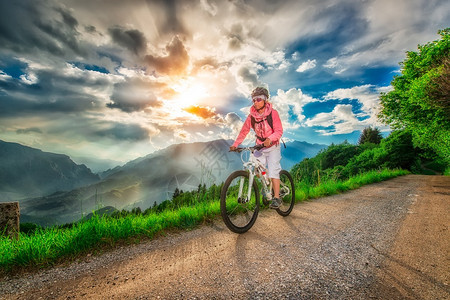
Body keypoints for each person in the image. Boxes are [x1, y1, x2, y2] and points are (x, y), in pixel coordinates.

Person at [229, 86, 284, 209]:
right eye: (253, 100)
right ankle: (267, 184)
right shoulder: (251, 116)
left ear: (265, 99)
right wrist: (235, 145)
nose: (255, 102)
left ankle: (276, 197)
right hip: (259, 146)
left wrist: (270, 139)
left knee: (274, 171)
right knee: (256, 171)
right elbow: (244, 131)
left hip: (273, 146)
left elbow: (279, 131)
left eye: (258, 99)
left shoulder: (273, 113)